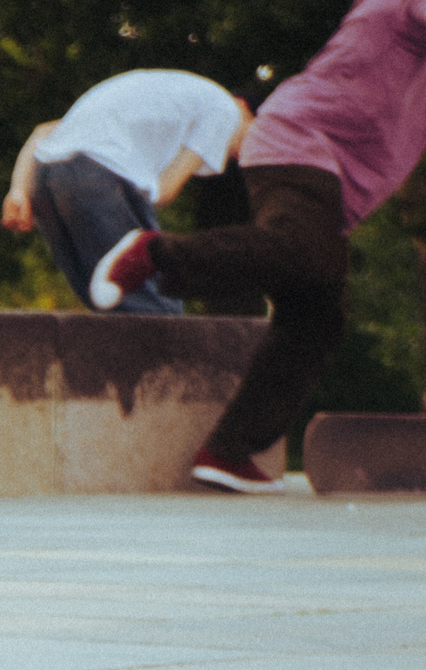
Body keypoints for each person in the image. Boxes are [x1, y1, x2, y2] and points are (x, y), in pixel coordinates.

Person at [91, 0, 426, 493]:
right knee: (298, 250)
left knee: (317, 317)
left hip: (330, 171)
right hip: (303, 141)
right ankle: (154, 254)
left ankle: (227, 450)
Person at [0, 70, 252, 316]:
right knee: (156, 307)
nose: (245, 156)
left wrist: (19, 190)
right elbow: (164, 191)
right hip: (97, 175)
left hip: (44, 175)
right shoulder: (227, 110)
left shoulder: (162, 97)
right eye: (258, 137)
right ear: (245, 107)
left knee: (107, 304)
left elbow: (43, 132)